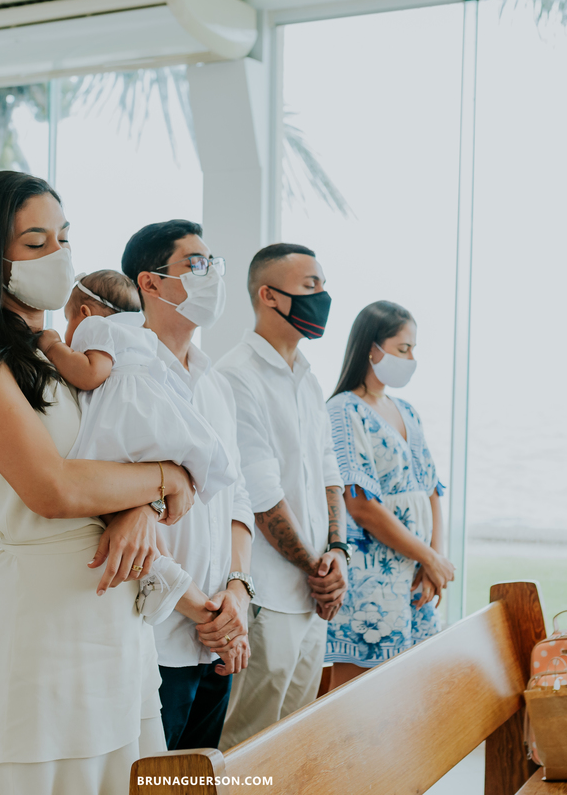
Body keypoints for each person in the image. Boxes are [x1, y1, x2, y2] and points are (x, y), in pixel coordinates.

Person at [0, 170, 197, 795]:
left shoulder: (66, 353)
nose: (60, 255)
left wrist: (142, 506)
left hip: (114, 614)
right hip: (43, 618)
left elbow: (121, 451)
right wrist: (160, 478)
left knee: (124, 772)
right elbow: (53, 488)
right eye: (35, 242)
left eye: (64, 236)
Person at [120, 221, 258, 751]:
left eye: (213, 263)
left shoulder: (214, 382)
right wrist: (202, 608)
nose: (213, 276)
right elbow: (117, 514)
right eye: (195, 264)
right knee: (150, 779)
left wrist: (238, 593)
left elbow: (236, 498)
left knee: (199, 778)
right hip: (157, 633)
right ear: (150, 284)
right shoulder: (129, 378)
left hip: (217, 635)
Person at [216, 243, 349, 751]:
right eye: (310, 285)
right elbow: (261, 497)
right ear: (269, 295)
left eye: (322, 283)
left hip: (313, 594)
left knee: (295, 738)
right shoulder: (237, 376)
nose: (323, 296)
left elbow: (329, 475)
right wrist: (318, 570)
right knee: (249, 741)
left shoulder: (308, 377)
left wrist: (337, 554)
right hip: (270, 593)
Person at [324, 301, 455, 689]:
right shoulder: (344, 411)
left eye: (414, 349)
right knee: (358, 698)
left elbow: (431, 489)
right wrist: (429, 557)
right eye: (403, 348)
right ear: (372, 348)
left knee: (411, 692)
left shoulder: (407, 411)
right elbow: (361, 505)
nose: (412, 358)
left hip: (414, 572)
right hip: (371, 580)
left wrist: (433, 561)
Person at [38, 270, 233, 503]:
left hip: (124, 405)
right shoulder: (140, 333)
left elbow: (92, 373)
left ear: (85, 313)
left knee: (102, 469)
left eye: (69, 321)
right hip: (153, 402)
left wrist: (53, 346)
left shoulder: (96, 326)